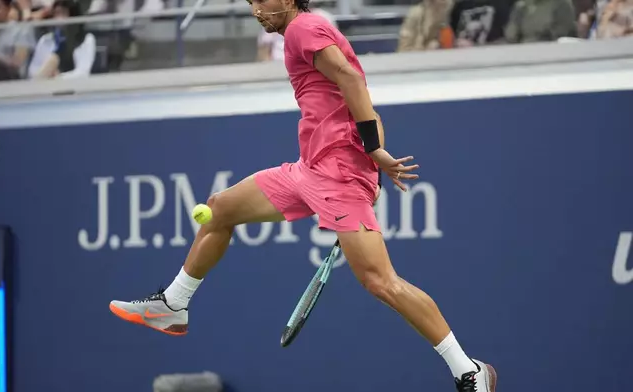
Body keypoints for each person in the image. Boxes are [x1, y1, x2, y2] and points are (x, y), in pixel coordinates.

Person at [109, 0, 498, 391]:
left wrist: (369, 155)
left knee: (381, 282)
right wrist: (371, 163)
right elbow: (361, 101)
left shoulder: (301, 28)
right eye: (251, 3)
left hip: (336, 176)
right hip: (309, 169)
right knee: (221, 208)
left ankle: (468, 370)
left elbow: (351, 78)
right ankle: (174, 304)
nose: (257, 10)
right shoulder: (308, 31)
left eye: (264, 0)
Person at [27, 0, 96, 79]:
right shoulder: (45, 40)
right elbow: (32, 71)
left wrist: (58, 78)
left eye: (63, 13)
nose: (59, 19)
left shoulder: (87, 39)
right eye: (56, 14)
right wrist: (48, 72)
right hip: (47, 87)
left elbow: (82, 72)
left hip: (75, 88)